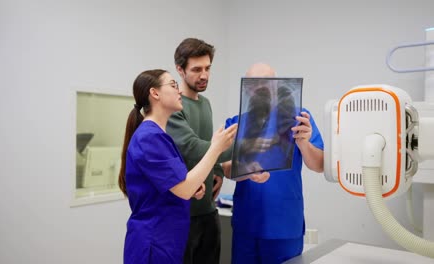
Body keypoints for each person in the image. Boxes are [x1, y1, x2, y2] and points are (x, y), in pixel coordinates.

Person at [165, 38, 268, 264]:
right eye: (196, 69)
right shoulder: (173, 106)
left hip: (208, 210)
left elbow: (209, 146)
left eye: (208, 68)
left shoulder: (206, 104)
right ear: (180, 70)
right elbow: (194, 148)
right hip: (182, 213)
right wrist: (243, 148)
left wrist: (219, 172)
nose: (204, 75)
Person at [119, 69, 237, 264]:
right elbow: (183, 189)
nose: (179, 91)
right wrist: (215, 149)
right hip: (153, 243)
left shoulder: (160, 136)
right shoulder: (149, 137)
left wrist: (191, 188)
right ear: (155, 93)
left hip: (168, 241)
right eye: (173, 86)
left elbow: (177, 185)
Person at [223, 63, 324, 264]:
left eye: (266, 84)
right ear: (247, 89)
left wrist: (303, 143)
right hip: (247, 223)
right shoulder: (236, 123)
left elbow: (319, 164)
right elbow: (226, 168)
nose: (259, 89)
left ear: (277, 87)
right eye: (253, 85)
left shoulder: (299, 119)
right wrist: (247, 170)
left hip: (284, 224)